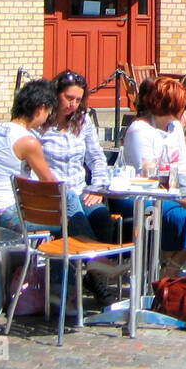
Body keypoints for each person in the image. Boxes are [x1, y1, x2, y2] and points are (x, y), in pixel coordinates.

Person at [119, 77, 186, 276]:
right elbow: (148, 176)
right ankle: (169, 269)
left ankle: (173, 264)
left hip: (171, 191)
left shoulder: (174, 127)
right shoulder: (140, 130)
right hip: (141, 194)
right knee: (180, 216)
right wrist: (180, 199)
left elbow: (181, 168)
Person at [37, 71, 114, 244]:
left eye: (78, 100)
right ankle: (99, 262)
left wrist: (98, 187)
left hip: (80, 190)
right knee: (76, 220)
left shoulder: (83, 120)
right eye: (69, 98)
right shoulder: (41, 122)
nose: (73, 105)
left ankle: (95, 268)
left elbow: (96, 157)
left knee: (102, 217)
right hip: (52, 196)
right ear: (56, 94)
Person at [0, 79, 61, 233]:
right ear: (41, 109)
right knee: (69, 213)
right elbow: (51, 186)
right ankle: (88, 252)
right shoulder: (28, 141)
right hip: (5, 215)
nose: (48, 117)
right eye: (49, 112)